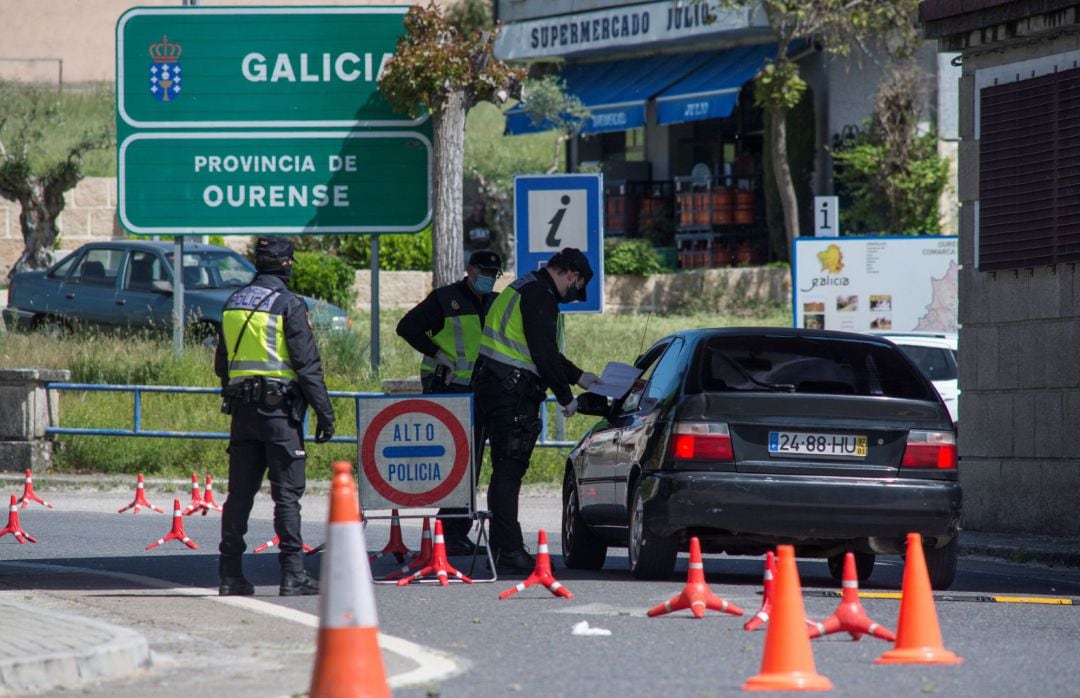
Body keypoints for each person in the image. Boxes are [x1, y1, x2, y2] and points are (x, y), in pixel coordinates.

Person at [215, 236, 335, 597]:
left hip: (242, 412)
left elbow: (222, 364)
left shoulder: (233, 302)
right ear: (286, 265)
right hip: (279, 414)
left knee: (239, 496)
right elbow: (307, 366)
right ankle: (292, 574)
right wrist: (325, 413)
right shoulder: (288, 304)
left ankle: (230, 574)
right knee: (286, 496)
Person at [473, 247, 600, 573]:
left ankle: (503, 547)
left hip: (494, 386)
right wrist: (567, 399)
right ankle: (510, 552)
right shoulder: (540, 296)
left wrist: (580, 377)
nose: (575, 294)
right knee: (508, 472)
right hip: (511, 393)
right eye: (579, 285)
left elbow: (542, 351)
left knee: (502, 472)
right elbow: (542, 353)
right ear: (572, 275)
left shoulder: (524, 287)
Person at [396, 250, 503, 555]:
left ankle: (454, 532)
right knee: (455, 462)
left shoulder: (495, 302)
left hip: (480, 391)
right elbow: (407, 327)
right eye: (484, 272)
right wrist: (437, 353)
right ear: (469, 270)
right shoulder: (445, 298)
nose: (489, 278)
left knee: (470, 463)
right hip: (447, 389)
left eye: (494, 274)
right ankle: (450, 533)